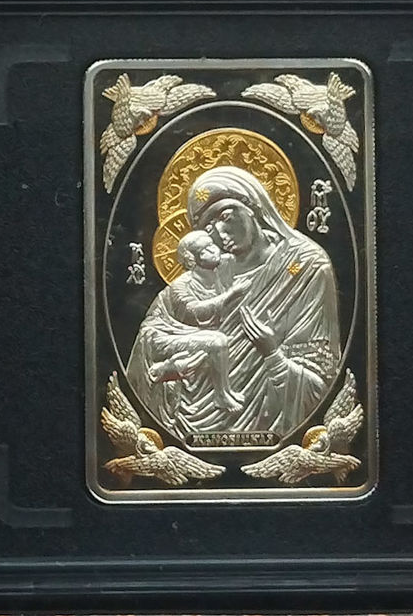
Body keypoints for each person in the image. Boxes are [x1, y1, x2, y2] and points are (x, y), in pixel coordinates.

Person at [127, 166, 341, 436]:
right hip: (186, 421)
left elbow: (321, 384)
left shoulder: (305, 267)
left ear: (253, 206)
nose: (218, 233)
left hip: (273, 422)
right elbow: (153, 331)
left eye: (225, 216)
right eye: (208, 228)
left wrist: (272, 354)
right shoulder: (209, 272)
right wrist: (174, 363)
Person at [140, 229, 248, 422]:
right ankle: (221, 395)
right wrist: (230, 295)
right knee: (218, 341)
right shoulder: (180, 286)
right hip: (165, 335)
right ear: (192, 260)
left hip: (192, 333)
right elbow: (195, 312)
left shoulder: (218, 273)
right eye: (205, 250)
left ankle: (227, 392)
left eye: (212, 244)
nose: (213, 250)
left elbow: (242, 255)